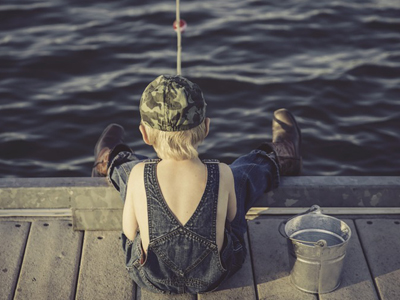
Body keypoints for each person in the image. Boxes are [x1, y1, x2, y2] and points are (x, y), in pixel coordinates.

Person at [91, 75, 301, 294]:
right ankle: (277, 157)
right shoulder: (222, 172)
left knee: (132, 174)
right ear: (207, 127)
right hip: (215, 275)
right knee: (238, 178)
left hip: (151, 276)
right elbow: (232, 219)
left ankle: (113, 159)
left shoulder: (138, 174)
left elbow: (130, 233)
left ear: (144, 134)